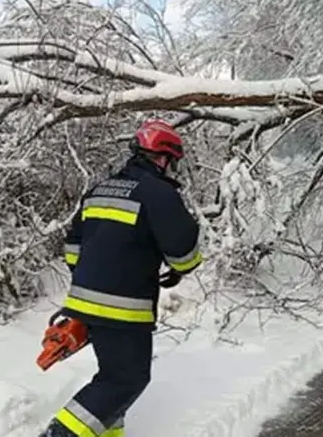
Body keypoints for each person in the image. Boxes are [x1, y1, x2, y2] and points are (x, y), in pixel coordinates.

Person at [40, 119, 204, 437]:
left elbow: (72, 249)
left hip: (82, 303)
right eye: (173, 162)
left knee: (113, 375)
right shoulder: (159, 194)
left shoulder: (97, 191)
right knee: (125, 380)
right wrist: (181, 270)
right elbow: (184, 251)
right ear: (163, 158)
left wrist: (94, 280)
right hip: (124, 309)